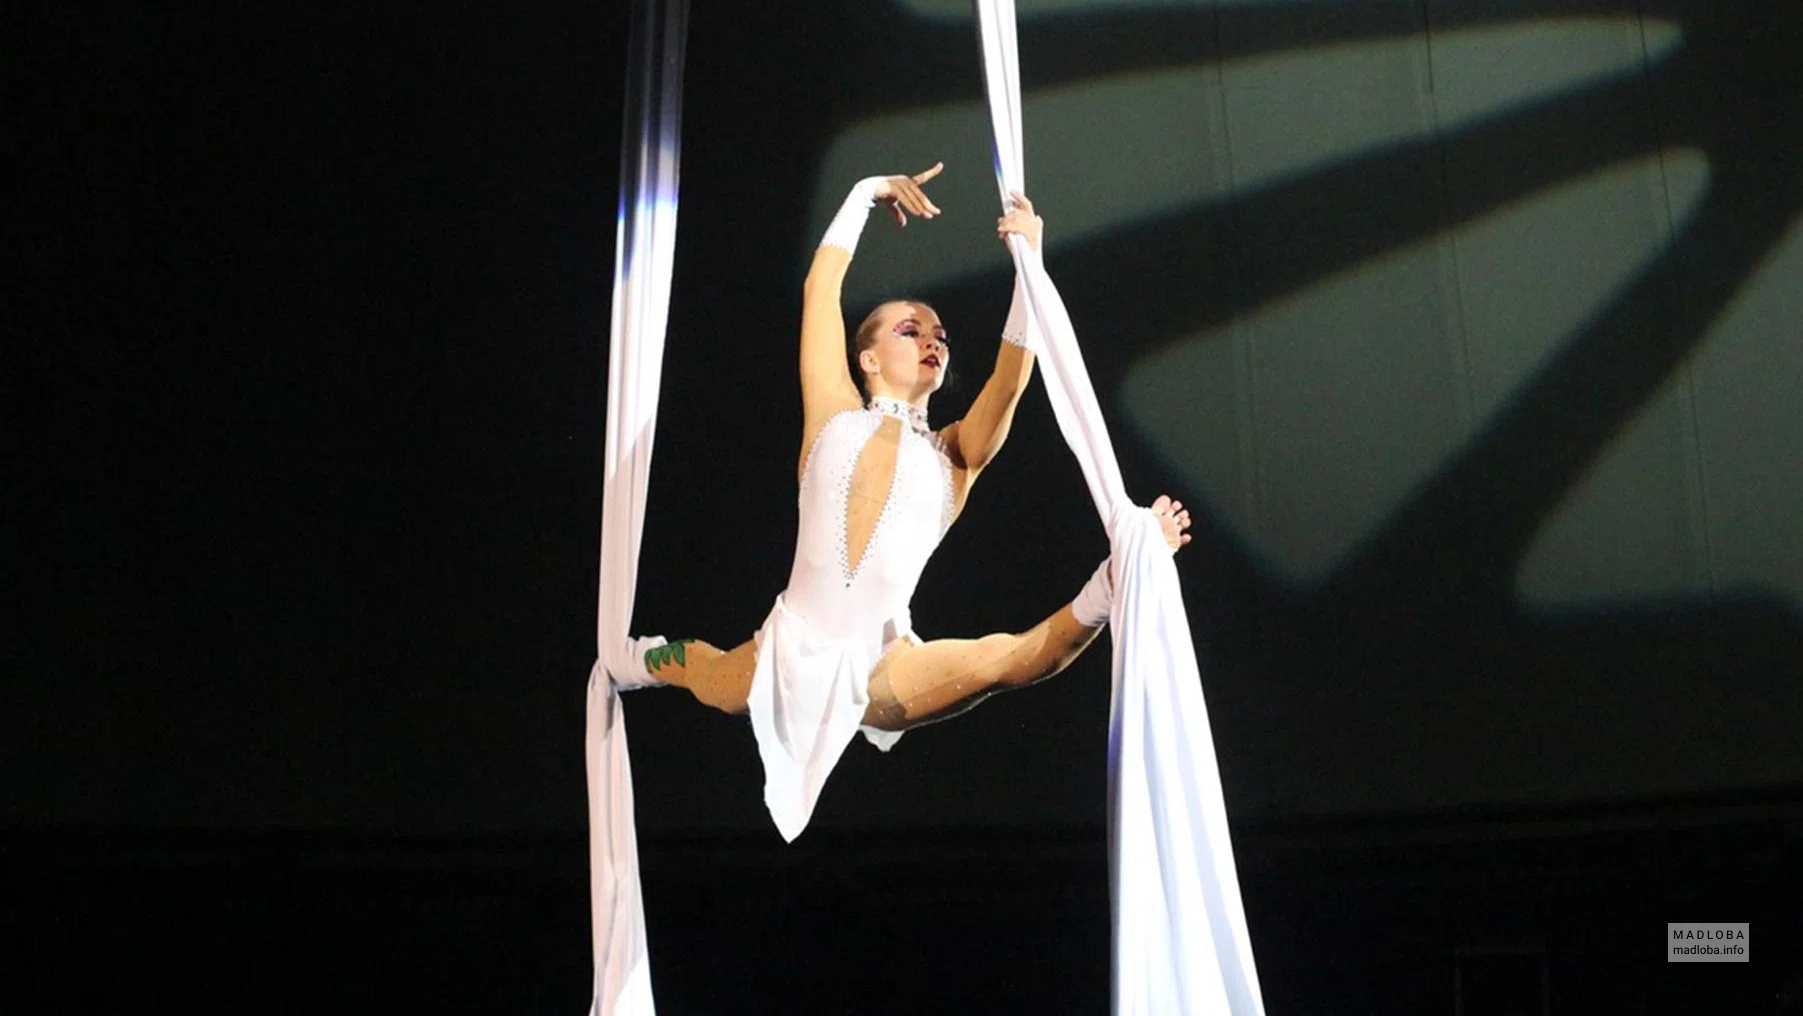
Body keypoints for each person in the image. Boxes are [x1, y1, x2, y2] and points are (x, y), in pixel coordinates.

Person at [616, 164, 1192, 839]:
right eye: (910, 330)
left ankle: (1114, 580)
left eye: (939, 335)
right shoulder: (832, 415)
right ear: (866, 360)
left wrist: (1027, 269)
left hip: (879, 668)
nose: (932, 340)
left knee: (1008, 662)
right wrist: (863, 193)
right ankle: (639, 660)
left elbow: (1010, 381)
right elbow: (820, 288)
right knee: (705, 675)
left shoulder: (955, 456)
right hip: (786, 649)